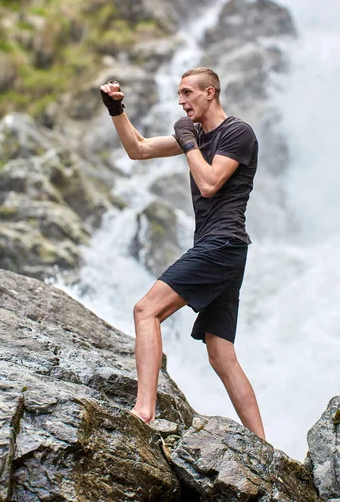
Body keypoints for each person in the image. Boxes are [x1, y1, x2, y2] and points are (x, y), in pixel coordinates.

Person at [100, 67, 265, 439]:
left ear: (210, 93)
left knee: (146, 310)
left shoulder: (237, 132)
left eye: (187, 93)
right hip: (224, 247)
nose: (180, 101)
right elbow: (138, 149)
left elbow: (209, 184)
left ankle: (143, 410)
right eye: (178, 94)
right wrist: (115, 110)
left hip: (222, 242)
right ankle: (264, 446)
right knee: (221, 354)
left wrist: (189, 143)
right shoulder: (198, 135)